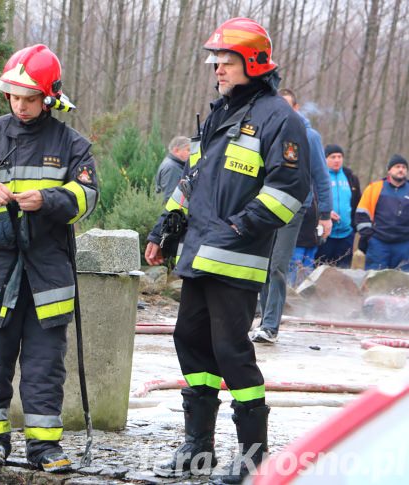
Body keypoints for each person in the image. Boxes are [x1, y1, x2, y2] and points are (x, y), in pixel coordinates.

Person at [144, 18, 309, 484]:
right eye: (215, 60)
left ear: (253, 63)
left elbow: (289, 188)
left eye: (227, 60)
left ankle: (254, 457)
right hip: (197, 254)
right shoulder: (219, 113)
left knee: (232, 352)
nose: (217, 68)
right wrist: (166, 224)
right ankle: (198, 447)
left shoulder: (280, 117)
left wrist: (241, 226)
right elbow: (192, 180)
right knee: (190, 343)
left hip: (236, 258)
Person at [0, 44, 98, 473]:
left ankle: (44, 447)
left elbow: (88, 196)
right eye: (14, 97)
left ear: (49, 97)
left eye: (30, 98)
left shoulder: (71, 145)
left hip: (47, 274)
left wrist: (47, 200)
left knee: (45, 364)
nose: (21, 106)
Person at [250, 88, 332, 344]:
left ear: (296, 109)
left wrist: (325, 214)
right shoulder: (268, 131)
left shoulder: (310, 136)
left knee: (277, 266)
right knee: (261, 264)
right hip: (265, 206)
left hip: (293, 209)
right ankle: (262, 317)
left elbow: (321, 177)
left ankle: (270, 326)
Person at [355, 155, 409, 270]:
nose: (401, 169)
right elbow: (362, 214)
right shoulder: (374, 188)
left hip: (405, 245)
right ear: (389, 170)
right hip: (378, 244)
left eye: (404, 167)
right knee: (374, 282)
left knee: (403, 284)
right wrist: (369, 237)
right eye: (397, 166)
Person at [314, 144, 361, 267]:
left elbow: (357, 203)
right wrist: (324, 213)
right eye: (333, 157)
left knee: (343, 273)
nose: (337, 160)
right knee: (320, 270)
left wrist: (354, 227)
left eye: (340, 157)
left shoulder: (351, 177)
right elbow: (312, 201)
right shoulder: (318, 176)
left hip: (347, 234)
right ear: (325, 159)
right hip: (324, 233)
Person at [155, 136, 190, 202]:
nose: (190, 153)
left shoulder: (175, 165)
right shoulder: (172, 168)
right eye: (188, 150)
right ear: (176, 150)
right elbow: (170, 198)